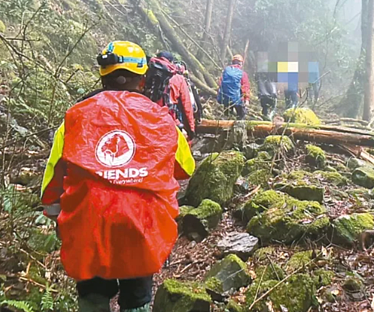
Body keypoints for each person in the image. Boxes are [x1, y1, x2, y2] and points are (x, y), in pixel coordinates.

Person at [41, 41, 195, 312]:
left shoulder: (74, 118)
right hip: (142, 226)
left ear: (104, 75)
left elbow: (54, 176)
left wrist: (57, 216)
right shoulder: (162, 119)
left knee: (92, 296)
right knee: (137, 298)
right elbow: (185, 167)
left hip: (88, 223)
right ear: (143, 79)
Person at [155, 51, 195, 139]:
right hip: (171, 119)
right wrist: (191, 128)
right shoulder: (177, 78)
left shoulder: (147, 74)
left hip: (150, 118)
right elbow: (187, 104)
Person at [217, 54, 250, 119]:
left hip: (226, 99)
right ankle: (239, 127)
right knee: (241, 116)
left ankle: (225, 127)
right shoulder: (242, 73)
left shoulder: (226, 71)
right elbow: (245, 87)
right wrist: (247, 99)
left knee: (227, 117)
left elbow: (220, 83)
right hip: (238, 100)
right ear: (241, 63)